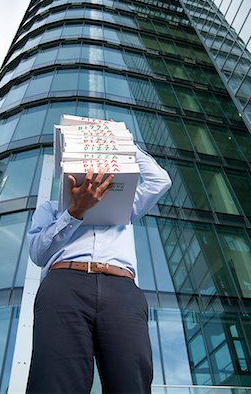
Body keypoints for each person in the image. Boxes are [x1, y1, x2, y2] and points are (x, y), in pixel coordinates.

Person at [26, 145, 171, 394]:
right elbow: (38, 253)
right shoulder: (50, 208)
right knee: (53, 381)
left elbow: (160, 179)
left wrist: (125, 145)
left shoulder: (126, 205)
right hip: (64, 286)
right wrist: (74, 212)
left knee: (132, 383)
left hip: (121, 290)